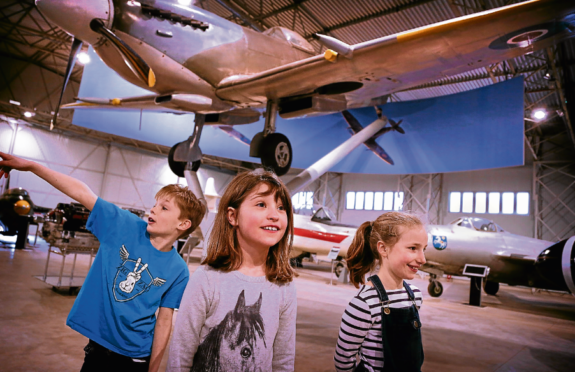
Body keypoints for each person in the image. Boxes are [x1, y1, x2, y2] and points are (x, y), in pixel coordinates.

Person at [0, 151, 206, 372]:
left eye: (164, 207)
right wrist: (32, 166)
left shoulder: (179, 270)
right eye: (155, 204)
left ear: (183, 224)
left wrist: (153, 368)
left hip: (136, 357)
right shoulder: (124, 226)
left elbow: (165, 321)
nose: (153, 209)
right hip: (97, 351)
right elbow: (82, 192)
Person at [167, 168, 297, 372]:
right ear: (232, 216)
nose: (274, 215)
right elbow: (180, 354)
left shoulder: (284, 286)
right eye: (261, 204)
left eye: (281, 208)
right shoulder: (207, 279)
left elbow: (283, 358)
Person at [334, 212, 427, 372]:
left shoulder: (415, 296)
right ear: (383, 248)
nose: (422, 259)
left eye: (423, 249)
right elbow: (343, 360)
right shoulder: (365, 303)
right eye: (413, 248)